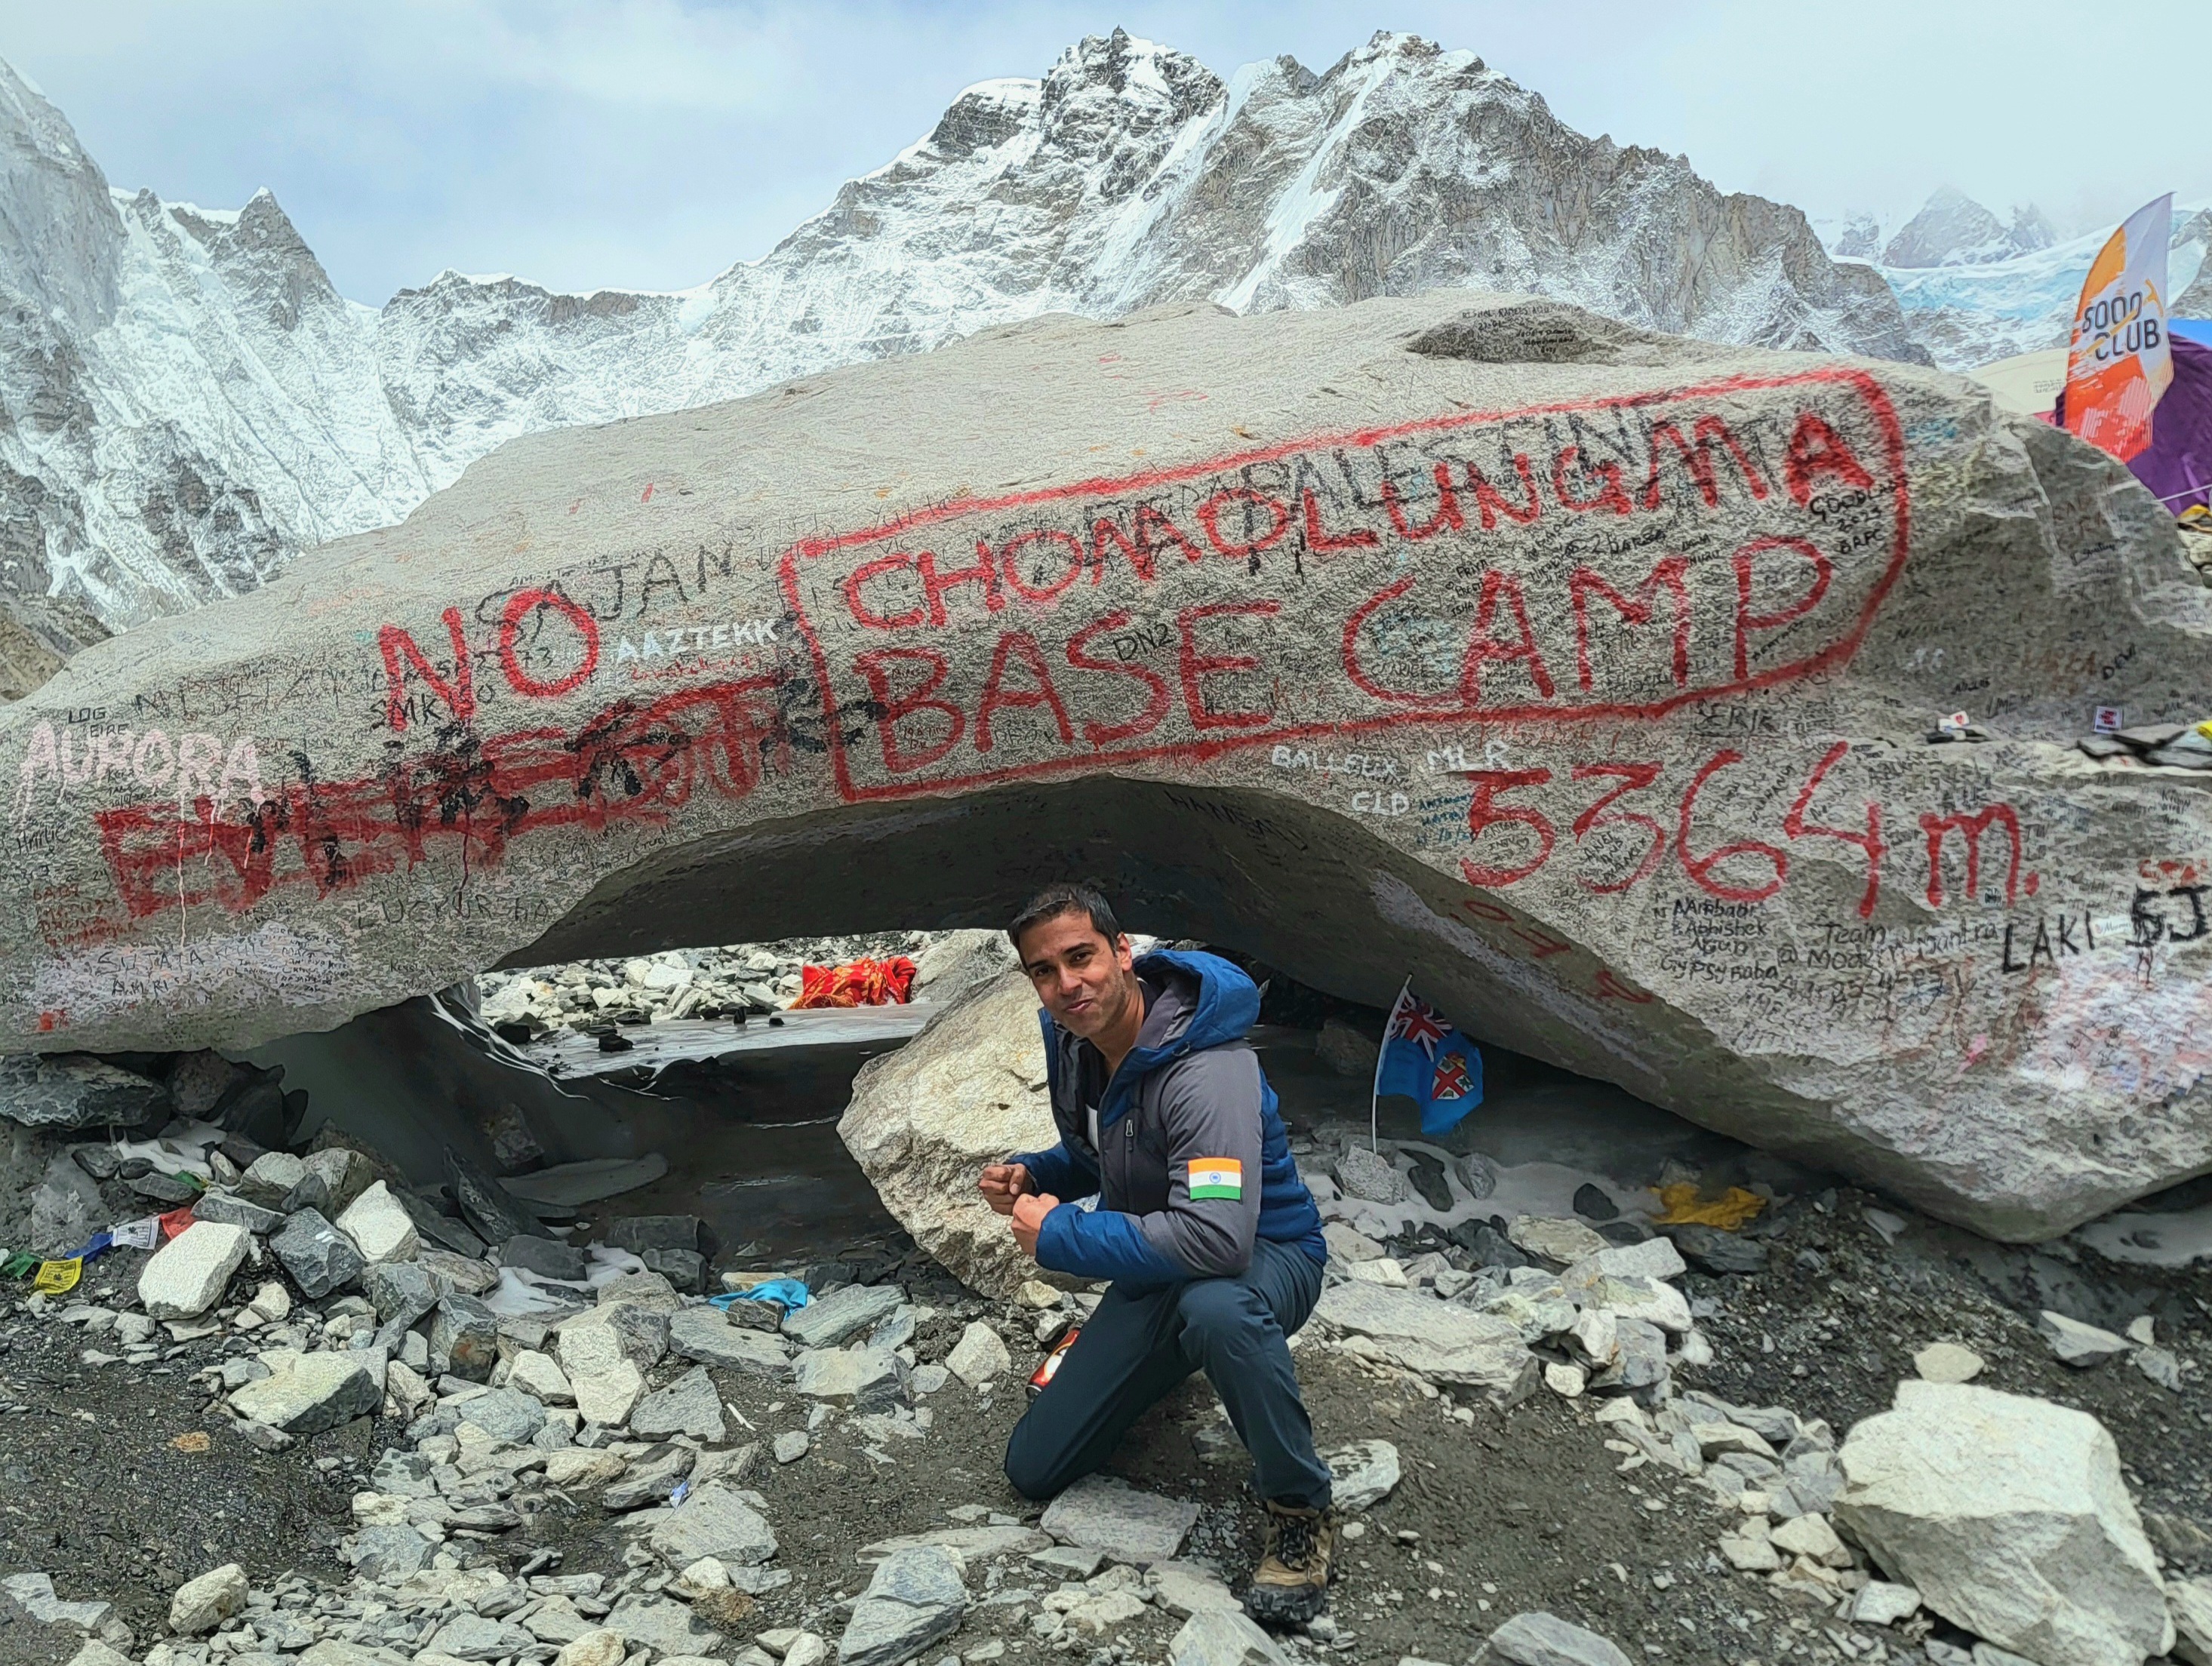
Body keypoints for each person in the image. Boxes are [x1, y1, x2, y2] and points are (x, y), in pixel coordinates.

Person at [979, 883, 1337, 1625]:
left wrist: (1062, 1237)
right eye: (1044, 971)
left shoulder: (1208, 1071)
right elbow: (1104, 1150)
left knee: (1218, 1309)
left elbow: (1217, 1238)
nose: (1066, 984)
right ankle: (1175, 1356)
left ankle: (1300, 1508)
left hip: (1266, 1256)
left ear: (1123, 953)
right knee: (1034, 1469)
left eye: (1081, 958)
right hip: (1160, 1258)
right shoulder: (1079, 1044)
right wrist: (1037, 1173)